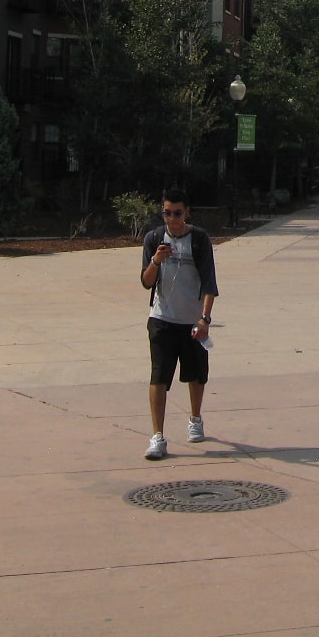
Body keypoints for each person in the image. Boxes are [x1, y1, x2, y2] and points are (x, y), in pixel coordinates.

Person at [140, 190, 217, 460]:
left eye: (177, 213)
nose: (172, 219)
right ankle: (157, 437)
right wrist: (156, 260)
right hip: (161, 318)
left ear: (187, 213)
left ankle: (195, 418)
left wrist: (204, 318)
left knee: (196, 374)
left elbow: (209, 282)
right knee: (159, 376)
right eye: (167, 213)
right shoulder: (153, 239)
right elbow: (146, 282)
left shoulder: (199, 239)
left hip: (191, 320)